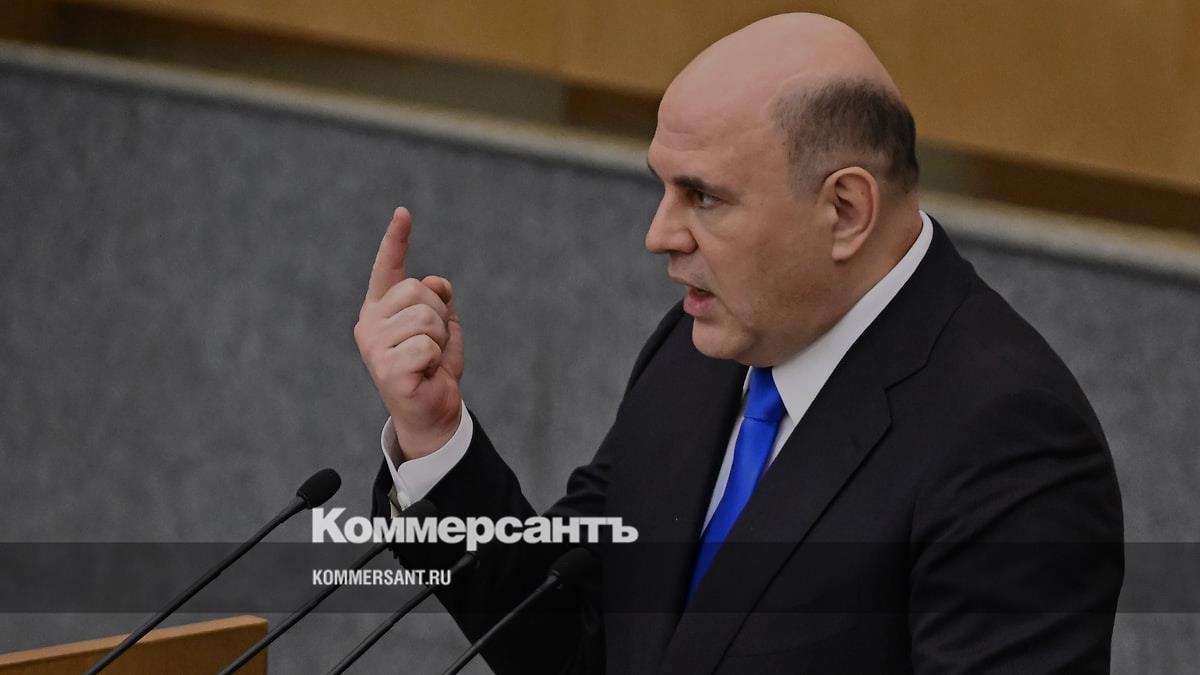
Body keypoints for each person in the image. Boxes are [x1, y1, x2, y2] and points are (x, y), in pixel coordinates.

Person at [354, 13, 1123, 674]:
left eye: (702, 196)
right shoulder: (696, 351)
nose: (659, 234)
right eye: (663, 187)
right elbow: (575, 633)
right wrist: (435, 437)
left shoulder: (1011, 442)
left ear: (846, 210)